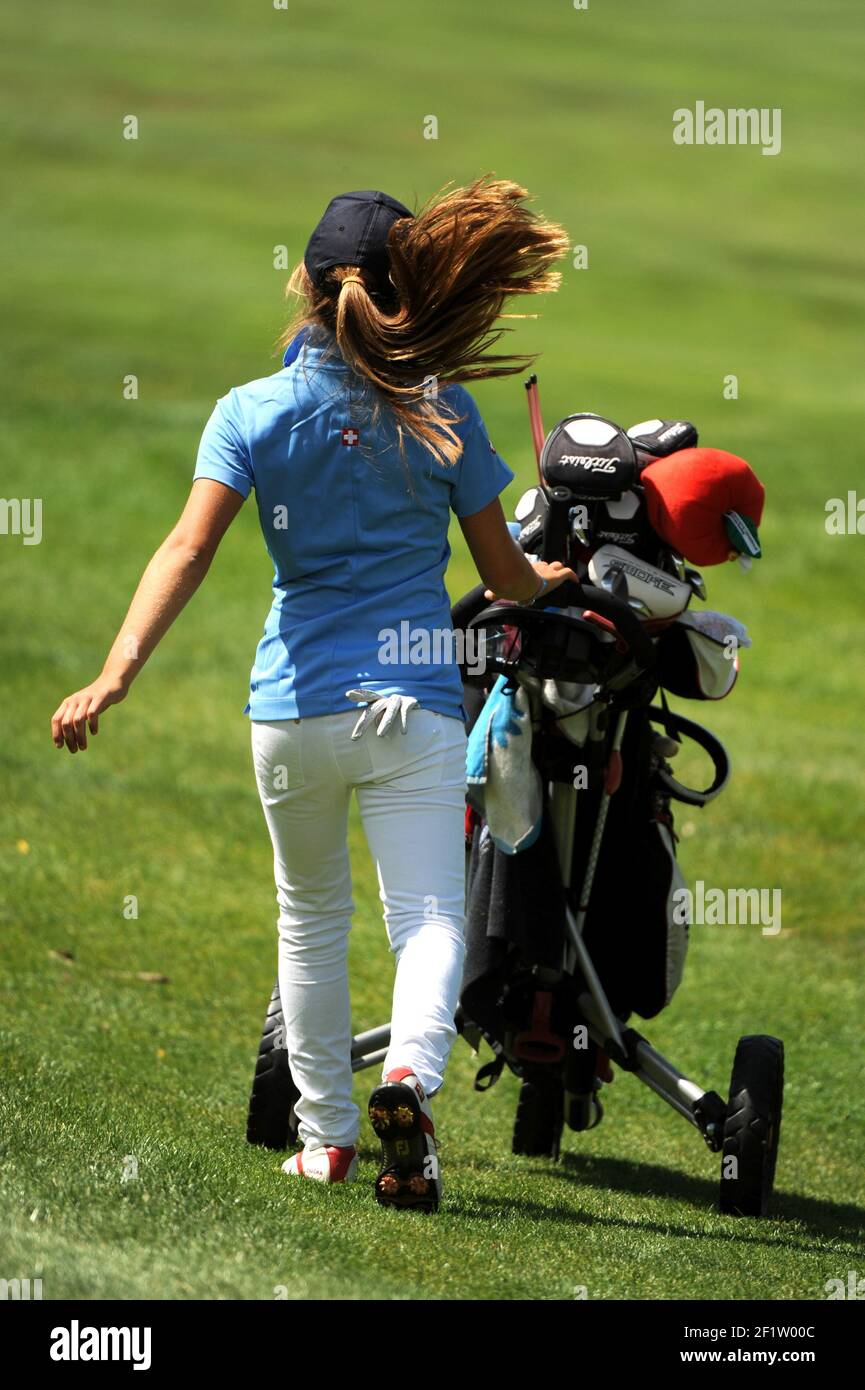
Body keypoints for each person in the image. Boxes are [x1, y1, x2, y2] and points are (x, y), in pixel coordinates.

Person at [50, 177, 578, 1211]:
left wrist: (114, 674)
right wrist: (547, 580)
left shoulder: (249, 409)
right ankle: (408, 1083)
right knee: (428, 915)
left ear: (304, 283)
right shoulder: (442, 410)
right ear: (406, 288)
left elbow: (187, 549)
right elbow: (502, 575)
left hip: (289, 711)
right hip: (410, 706)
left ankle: (329, 1140)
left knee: (308, 920)